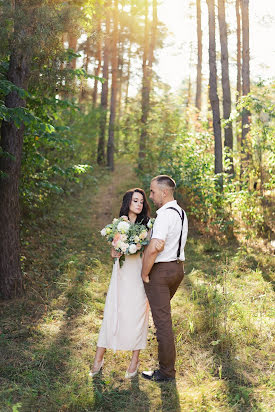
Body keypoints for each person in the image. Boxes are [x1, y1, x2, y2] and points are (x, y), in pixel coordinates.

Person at [91, 188, 164, 379]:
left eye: (141, 201)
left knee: (138, 314)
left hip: (139, 273)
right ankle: (98, 359)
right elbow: (114, 250)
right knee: (113, 311)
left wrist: (140, 246)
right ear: (128, 203)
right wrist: (114, 251)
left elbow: (152, 250)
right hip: (121, 273)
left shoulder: (148, 225)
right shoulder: (119, 224)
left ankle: (134, 361)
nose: (139, 204)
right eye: (135, 201)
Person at [141, 175, 188, 382]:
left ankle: (167, 372)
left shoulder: (164, 215)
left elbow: (156, 246)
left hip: (161, 272)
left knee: (162, 323)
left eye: (152, 192)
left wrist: (144, 273)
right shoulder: (181, 213)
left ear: (164, 192)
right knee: (162, 318)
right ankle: (165, 362)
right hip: (178, 270)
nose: (150, 196)